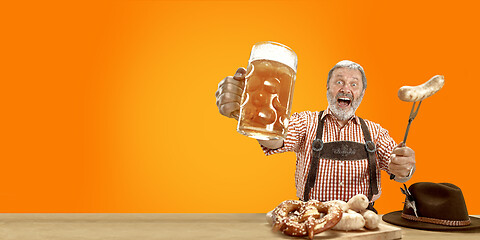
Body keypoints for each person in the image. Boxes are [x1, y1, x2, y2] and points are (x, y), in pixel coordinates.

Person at [215, 60, 415, 210]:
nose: (346, 88)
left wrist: (405, 167)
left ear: (362, 92)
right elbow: (275, 139)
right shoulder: (305, 122)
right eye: (339, 81)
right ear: (327, 88)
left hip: (363, 221)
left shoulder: (376, 132)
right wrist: (253, 111)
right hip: (312, 216)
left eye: (354, 84)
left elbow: (398, 168)